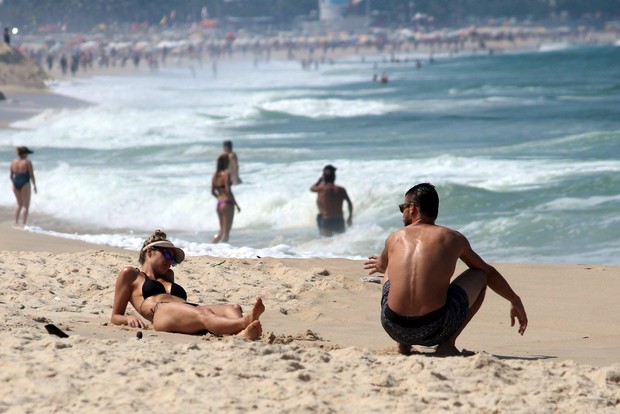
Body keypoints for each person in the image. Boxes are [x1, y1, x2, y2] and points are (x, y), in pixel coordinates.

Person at [364, 183, 527, 356]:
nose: (402, 212)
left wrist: (387, 265)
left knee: (390, 268)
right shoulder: (452, 238)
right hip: (435, 329)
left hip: (393, 326)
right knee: (479, 275)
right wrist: (515, 300)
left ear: (412, 208)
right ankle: (447, 344)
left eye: (402, 207)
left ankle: (402, 345)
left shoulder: (394, 238)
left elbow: (382, 266)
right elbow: (488, 272)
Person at [111, 229, 263, 339]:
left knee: (233, 307)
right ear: (150, 252)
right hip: (161, 312)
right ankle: (243, 322)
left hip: (187, 309)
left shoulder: (168, 276)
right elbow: (115, 316)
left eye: (173, 259)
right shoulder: (130, 274)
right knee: (205, 314)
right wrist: (128, 318)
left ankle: (241, 334)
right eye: (167, 255)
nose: (170, 261)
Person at [310, 164, 353, 237]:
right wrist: (350, 217)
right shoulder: (341, 189)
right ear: (334, 176)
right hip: (339, 220)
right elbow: (349, 203)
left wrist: (319, 180)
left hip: (327, 220)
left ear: (324, 177)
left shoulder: (321, 188)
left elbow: (312, 188)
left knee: (326, 243)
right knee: (341, 242)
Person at [211, 154, 240, 243]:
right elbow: (227, 190)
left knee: (221, 231)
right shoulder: (226, 174)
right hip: (227, 203)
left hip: (219, 204)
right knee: (226, 232)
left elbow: (212, 192)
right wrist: (236, 204)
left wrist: (220, 199)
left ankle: (211, 247)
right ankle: (223, 251)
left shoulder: (215, 176)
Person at [10, 146, 37, 225]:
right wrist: (34, 185)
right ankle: (24, 224)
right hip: (25, 182)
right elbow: (31, 175)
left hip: (15, 183)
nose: (28, 155)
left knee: (19, 204)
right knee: (25, 205)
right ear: (24, 154)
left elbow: (11, 176)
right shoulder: (27, 162)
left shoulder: (13, 162)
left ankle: (16, 222)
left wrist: (15, 183)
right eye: (27, 153)